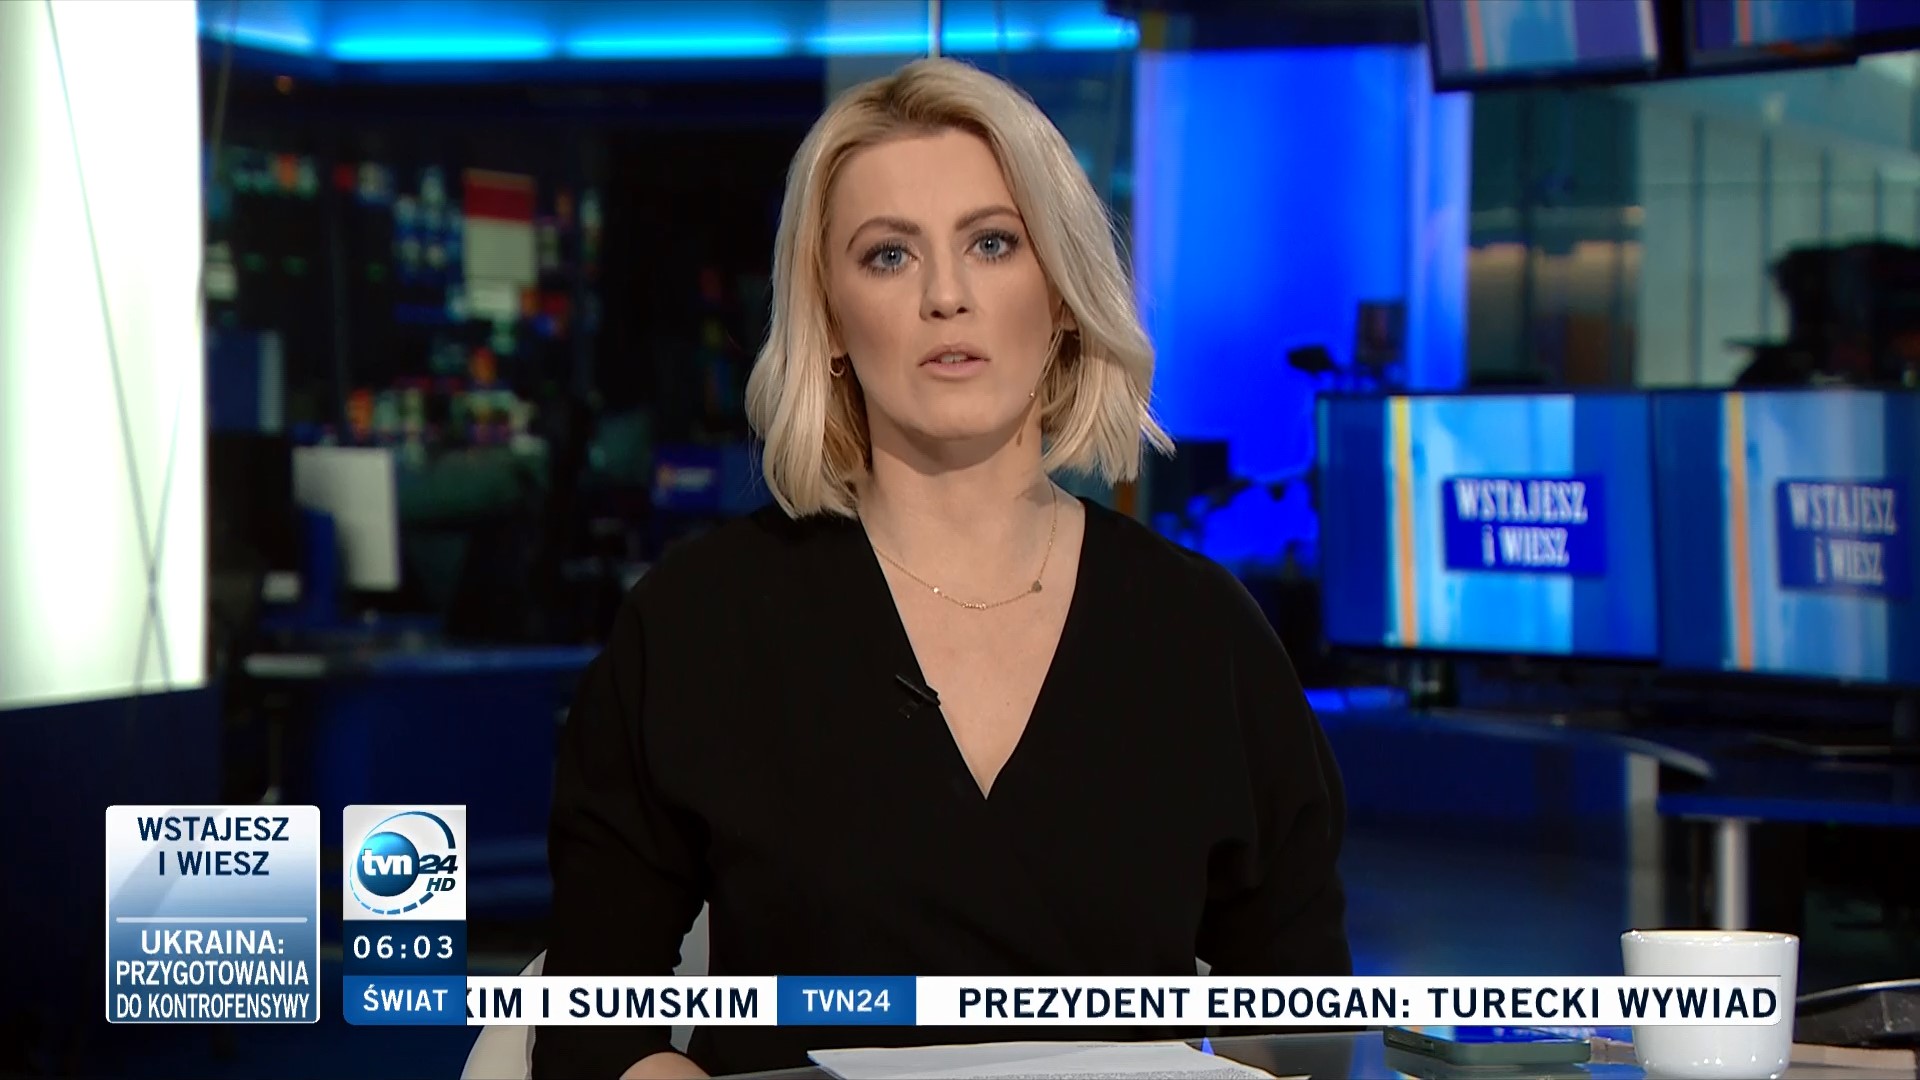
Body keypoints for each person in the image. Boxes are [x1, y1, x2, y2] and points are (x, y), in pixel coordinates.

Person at [532, 57, 1350, 1080]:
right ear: (830, 318)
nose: (946, 297)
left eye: (992, 243)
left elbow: (1303, 1021)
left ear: (1061, 296)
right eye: (888, 256)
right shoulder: (698, 624)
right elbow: (593, 1030)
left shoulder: (1202, 634)